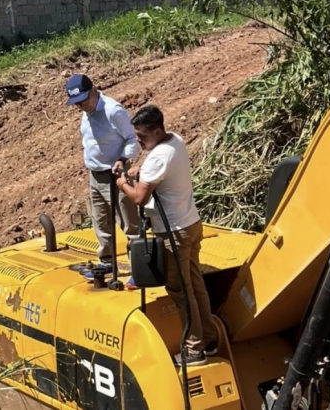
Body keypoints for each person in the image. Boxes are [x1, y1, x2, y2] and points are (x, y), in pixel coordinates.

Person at [116, 104, 218, 367]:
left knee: (181, 291)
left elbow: (139, 197)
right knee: (195, 285)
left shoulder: (158, 158)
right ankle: (209, 338)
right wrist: (140, 169)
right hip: (191, 225)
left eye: (142, 136)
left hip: (173, 233)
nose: (138, 141)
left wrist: (123, 183)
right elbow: (153, 166)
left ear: (157, 131)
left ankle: (194, 350)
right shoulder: (175, 140)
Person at [66, 74, 140, 265]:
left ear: (94, 90)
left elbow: (132, 139)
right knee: (100, 221)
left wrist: (123, 159)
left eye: (83, 101)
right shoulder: (85, 111)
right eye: (77, 104)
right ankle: (107, 261)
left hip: (115, 174)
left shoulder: (113, 111)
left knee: (127, 221)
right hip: (95, 174)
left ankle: (139, 264)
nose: (81, 107)